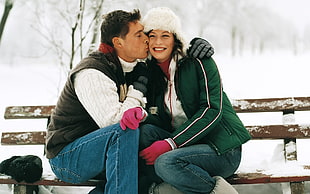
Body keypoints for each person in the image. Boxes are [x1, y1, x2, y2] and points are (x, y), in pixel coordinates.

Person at [45, 9, 214, 194]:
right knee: (125, 131)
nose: (146, 40)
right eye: (139, 35)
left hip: (102, 153)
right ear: (118, 42)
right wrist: (137, 90)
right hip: (68, 159)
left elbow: (167, 45)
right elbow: (115, 123)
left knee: (138, 140)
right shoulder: (92, 73)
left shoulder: (132, 66)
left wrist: (193, 46)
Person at [120, 7, 252, 194]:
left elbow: (211, 110)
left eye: (165, 35)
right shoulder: (152, 72)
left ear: (175, 38)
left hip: (220, 149)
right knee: (144, 133)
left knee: (166, 162)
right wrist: (142, 114)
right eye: (153, 35)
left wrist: (170, 143)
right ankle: (174, 187)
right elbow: (161, 118)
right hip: (186, 145)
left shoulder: (198, 61)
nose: (158, 42)